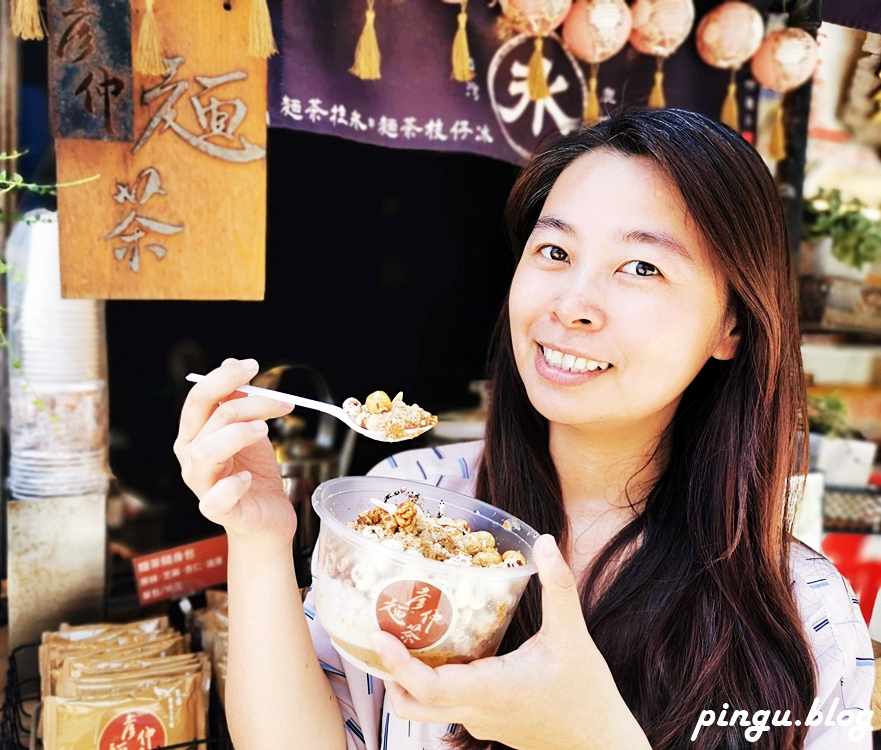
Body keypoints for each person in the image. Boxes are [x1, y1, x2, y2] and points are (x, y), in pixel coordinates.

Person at [174, 109, 874, 750]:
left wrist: (592, 737)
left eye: (641, 267)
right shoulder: (412, 506)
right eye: (556, 252)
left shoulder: (807, 615)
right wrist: (259, 540)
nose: (572, 304)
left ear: (733, 324)